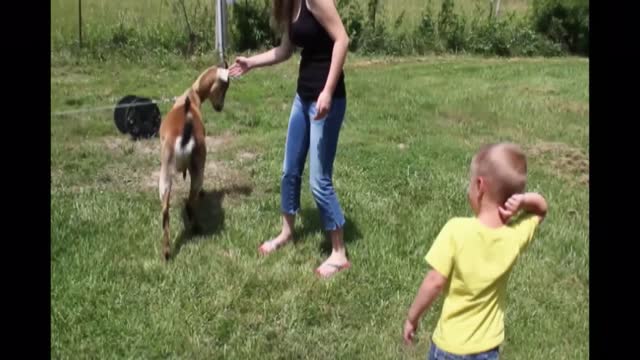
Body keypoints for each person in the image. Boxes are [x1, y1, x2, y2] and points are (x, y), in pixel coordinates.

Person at [228, 0, 351, 278]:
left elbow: (342, 40)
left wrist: (328, 92)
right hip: (303, 96)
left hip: (326, 100)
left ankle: (339, 252)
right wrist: (251, 63)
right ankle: (287, 232)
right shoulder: (289, 5)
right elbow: (285, 50)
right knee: (289, 170)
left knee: (319, 181)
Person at [402, 143, 548, 360]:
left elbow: (434, 281)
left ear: (480, 185)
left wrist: (412, 318)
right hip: (487, 349)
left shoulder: (456, 230)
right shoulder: (514, 236)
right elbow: (541, 209)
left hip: (449, 348)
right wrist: (524, 200)